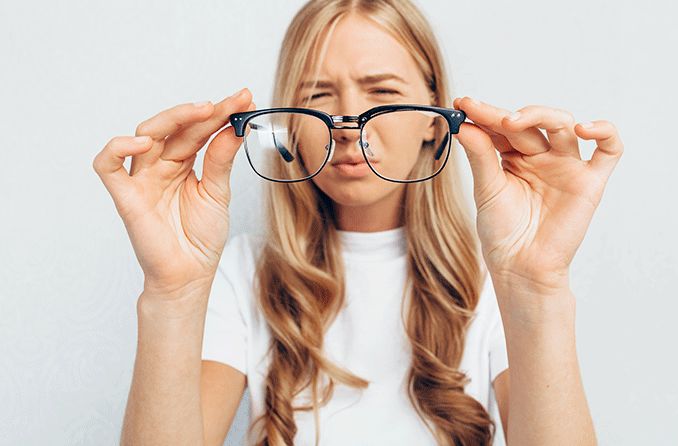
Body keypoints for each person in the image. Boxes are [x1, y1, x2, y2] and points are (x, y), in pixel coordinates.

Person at [92, 0, 623, 445]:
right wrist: (171, 292)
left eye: (383, 93)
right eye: (318, 96)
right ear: (288, 130)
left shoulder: (495, 279)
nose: (347, 126)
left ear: (434, 121)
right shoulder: (242, 273)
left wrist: (537, 287)